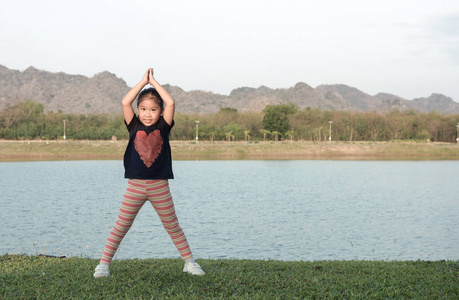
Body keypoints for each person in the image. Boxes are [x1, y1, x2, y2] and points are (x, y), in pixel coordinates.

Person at [94, 68, 205, 277]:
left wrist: (153, 82)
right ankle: (103, 265)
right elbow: (125, 102)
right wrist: (141, 82)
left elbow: (170, 102)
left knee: (173, 226)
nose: (147, 114)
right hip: (134, 186)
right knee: (120, 226)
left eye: (153, 110)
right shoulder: (133, 125)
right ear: (138, 110)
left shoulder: (164, 126)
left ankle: (189, 262)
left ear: (160, 112)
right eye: (143, 109)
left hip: (159, 186)